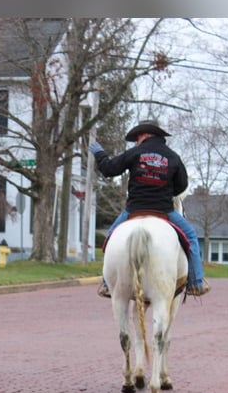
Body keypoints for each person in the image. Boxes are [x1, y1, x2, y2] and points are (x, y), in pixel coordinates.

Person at [90, 119, 210, 297]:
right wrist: (164, 190)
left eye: (137, 137)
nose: (137, 140)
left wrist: (99, 153)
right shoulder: (173, 157)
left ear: (144, 135)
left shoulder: (135, 152)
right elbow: (181, 186)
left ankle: (108, 283)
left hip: (134, 209)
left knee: (111, 237)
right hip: (164, 211)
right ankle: (196, 282)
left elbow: (109, 169)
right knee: (191, 237)